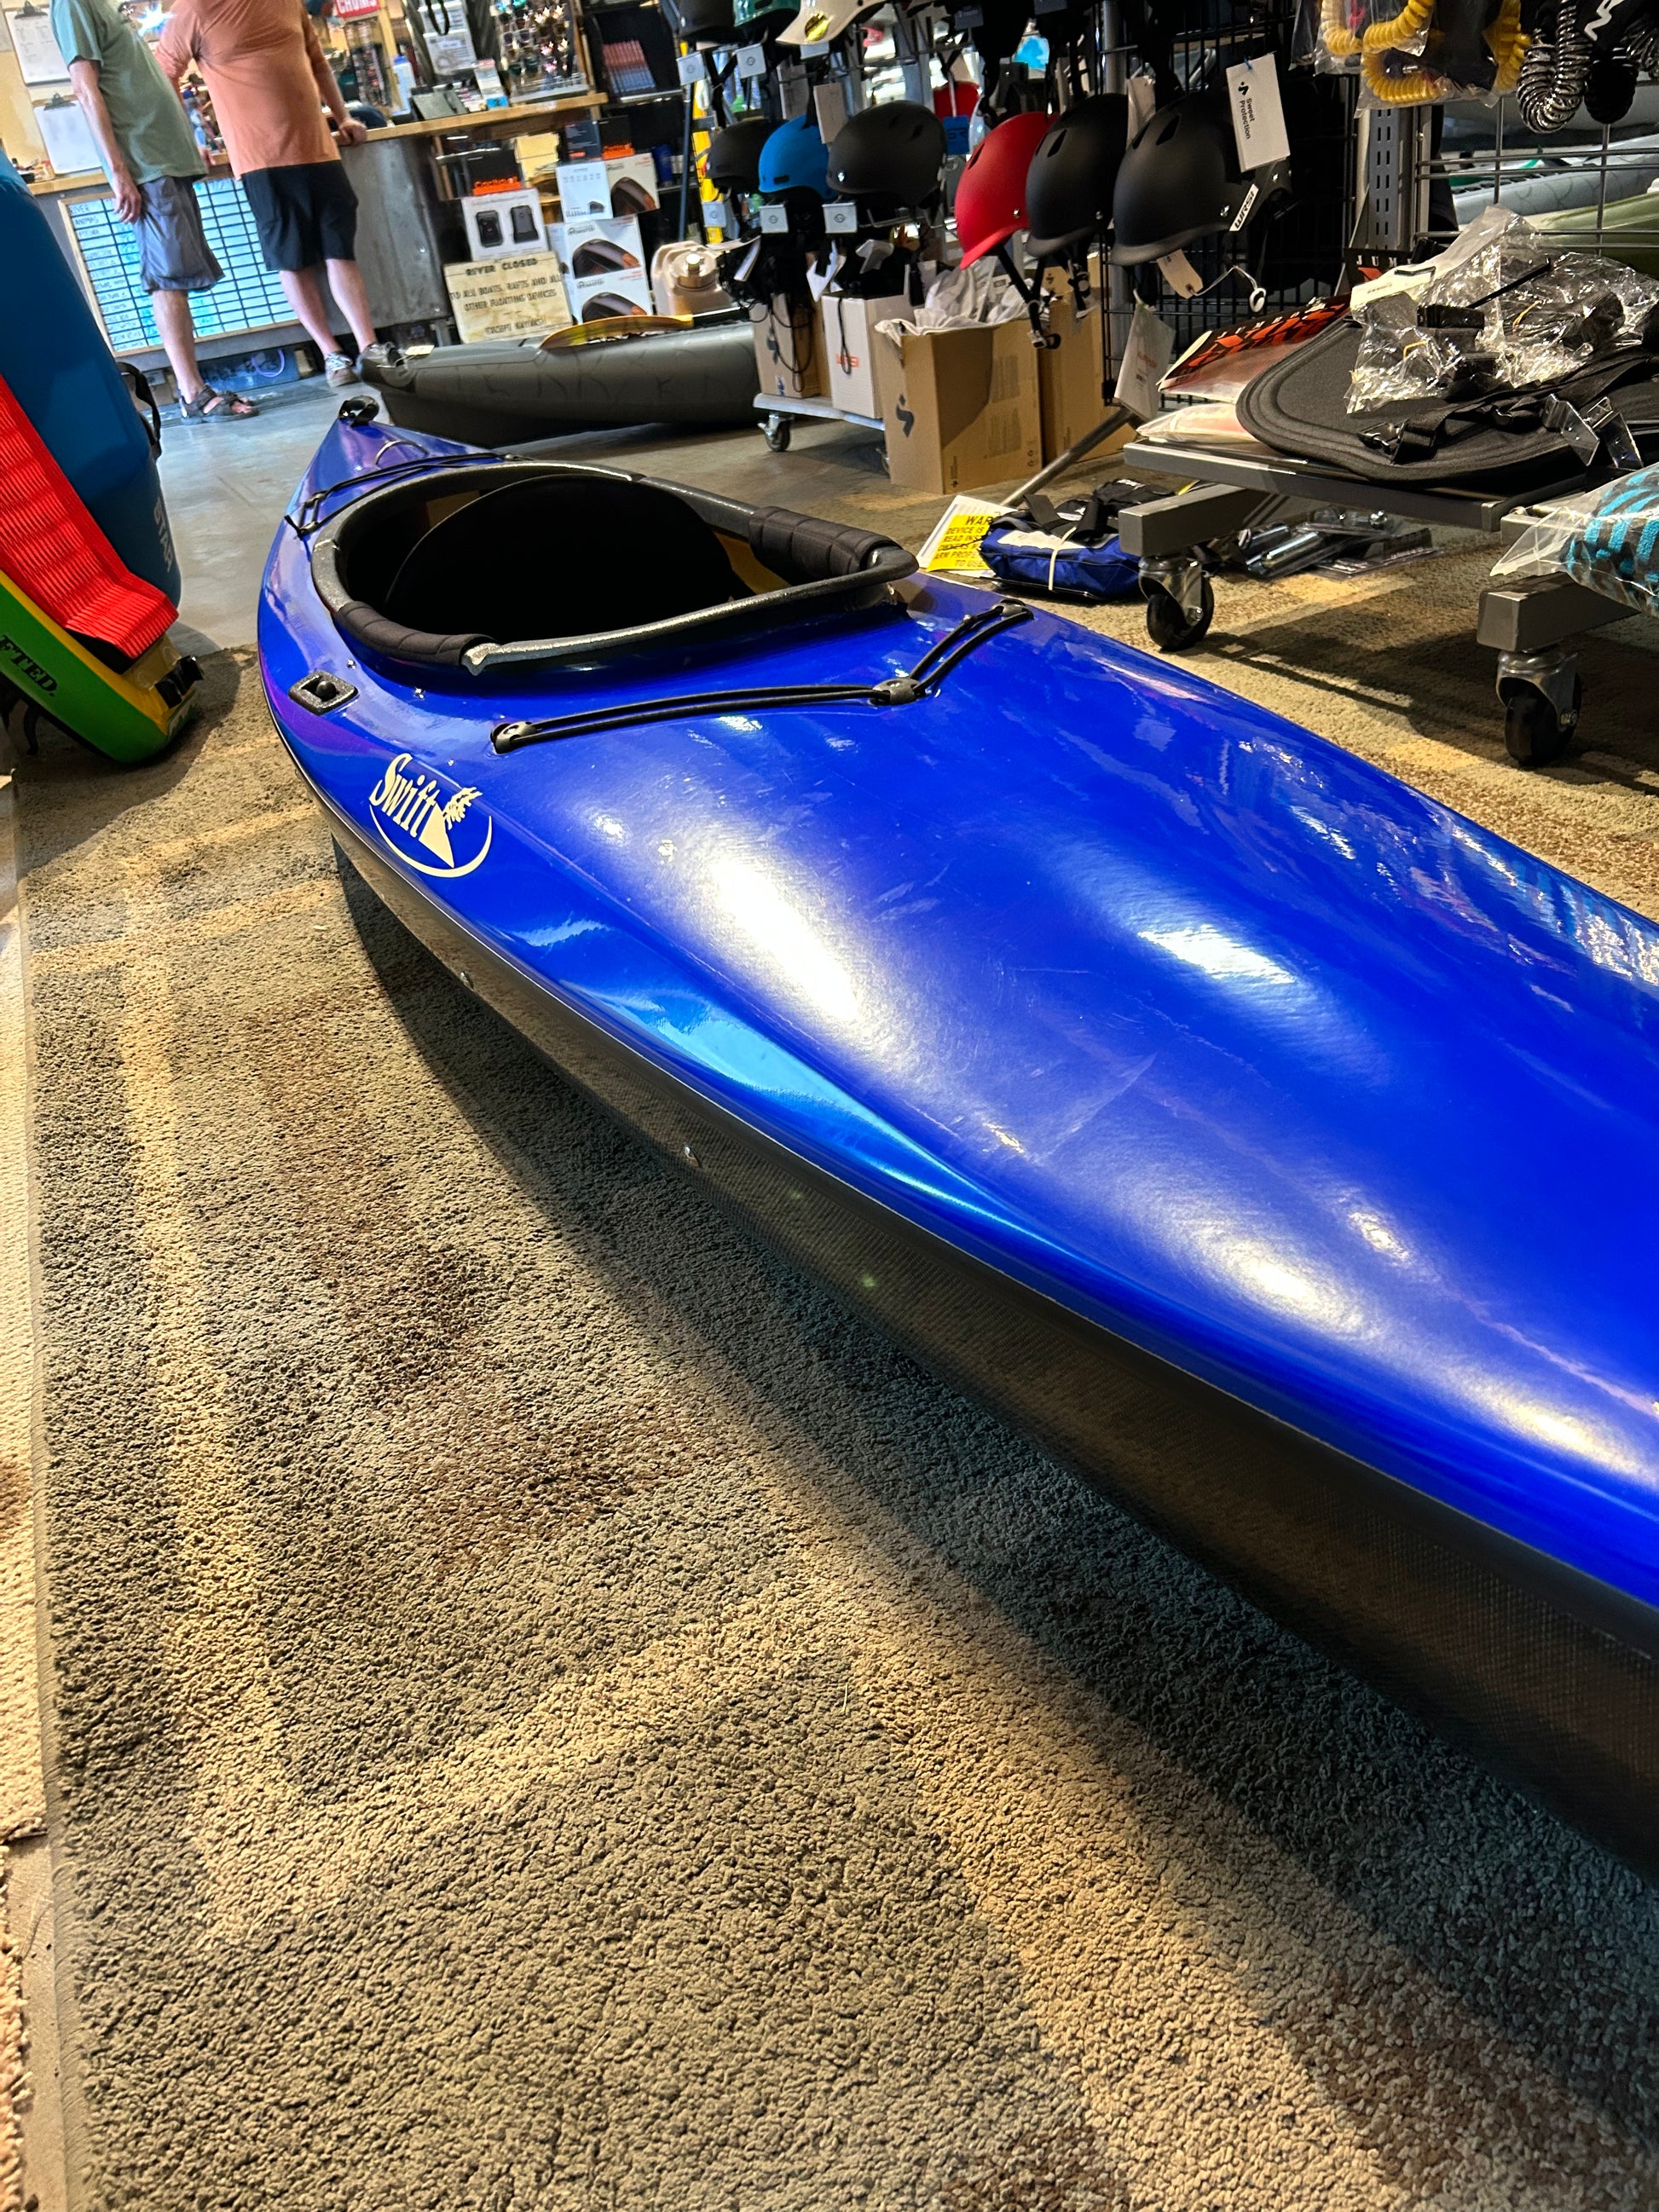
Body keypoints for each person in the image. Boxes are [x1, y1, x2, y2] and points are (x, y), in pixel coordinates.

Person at [158, 0, 389, 389]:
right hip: (260, 159)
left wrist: (343, 115)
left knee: (340, 250)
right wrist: (187, 138)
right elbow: (164, 77)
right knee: (292, 260)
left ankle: (370, 347)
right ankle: (331, 353)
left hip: (317, 147)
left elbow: (316, 61)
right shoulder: (192, 9)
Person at [50, 0, 257, 420]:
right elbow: (85, 88)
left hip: (163, 158)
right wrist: (119, 172)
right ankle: (191, 391)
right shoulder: (71, 3)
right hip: (145, 164)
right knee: (167, 277)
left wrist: (185, 139)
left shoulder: (102, 6)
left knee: (175, 274)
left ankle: (192, 387)